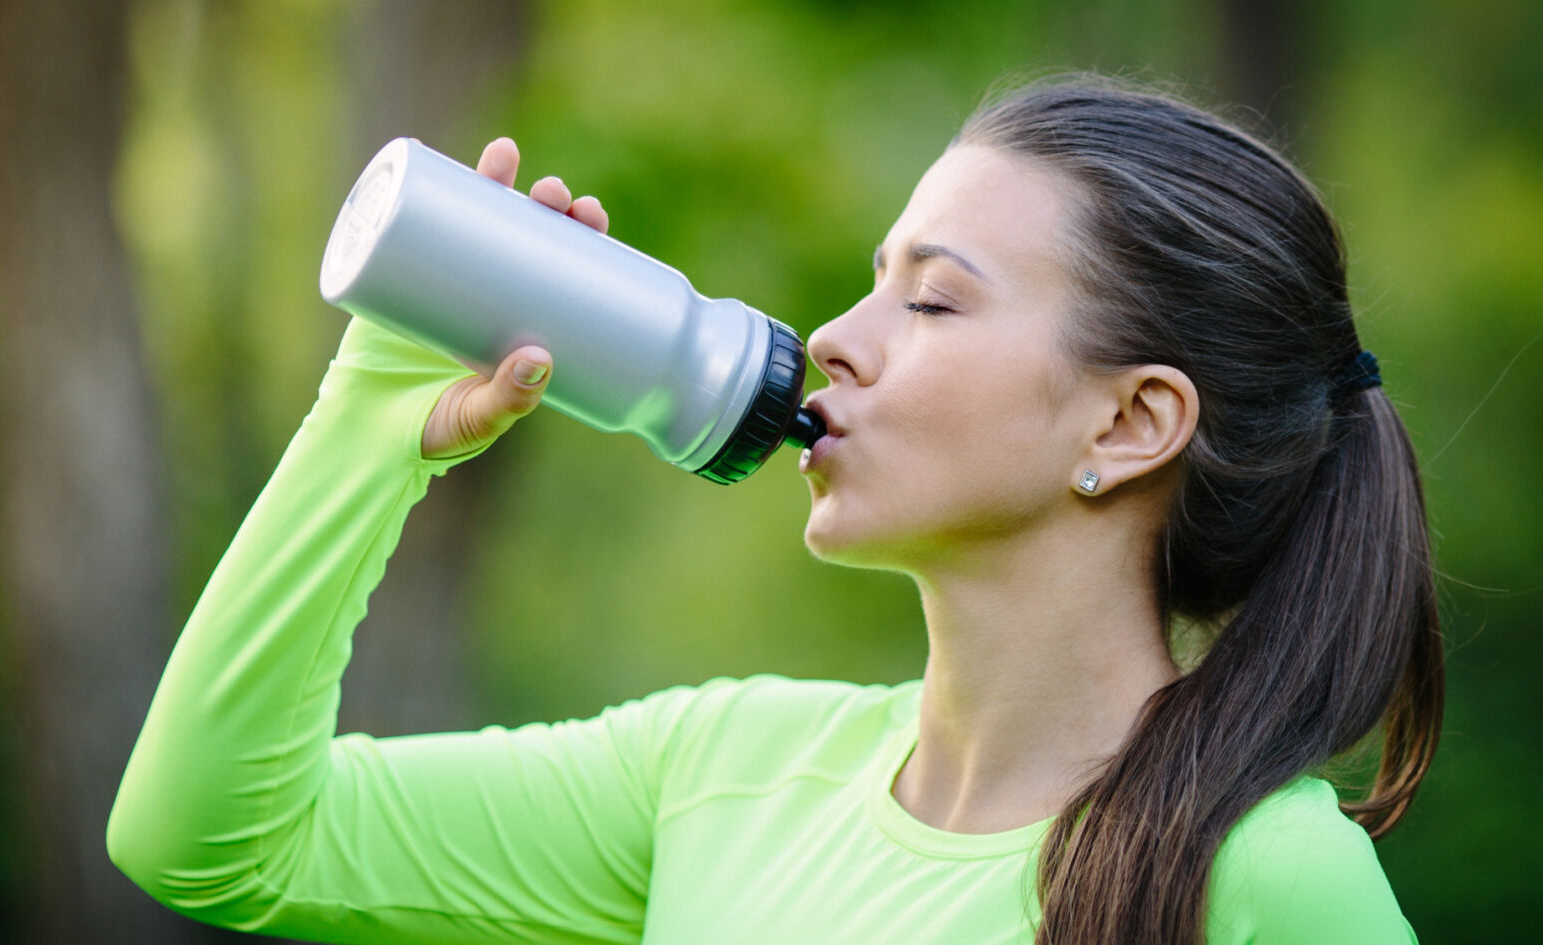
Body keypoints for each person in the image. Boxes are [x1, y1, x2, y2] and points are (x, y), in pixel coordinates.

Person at [108, 77, 1443, 945]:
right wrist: (375, 414)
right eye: (874, 281)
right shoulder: (720, 770)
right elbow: (210, 841)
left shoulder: (1264, 879)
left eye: (932, 299)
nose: (836, 339)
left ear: (1130, 422)